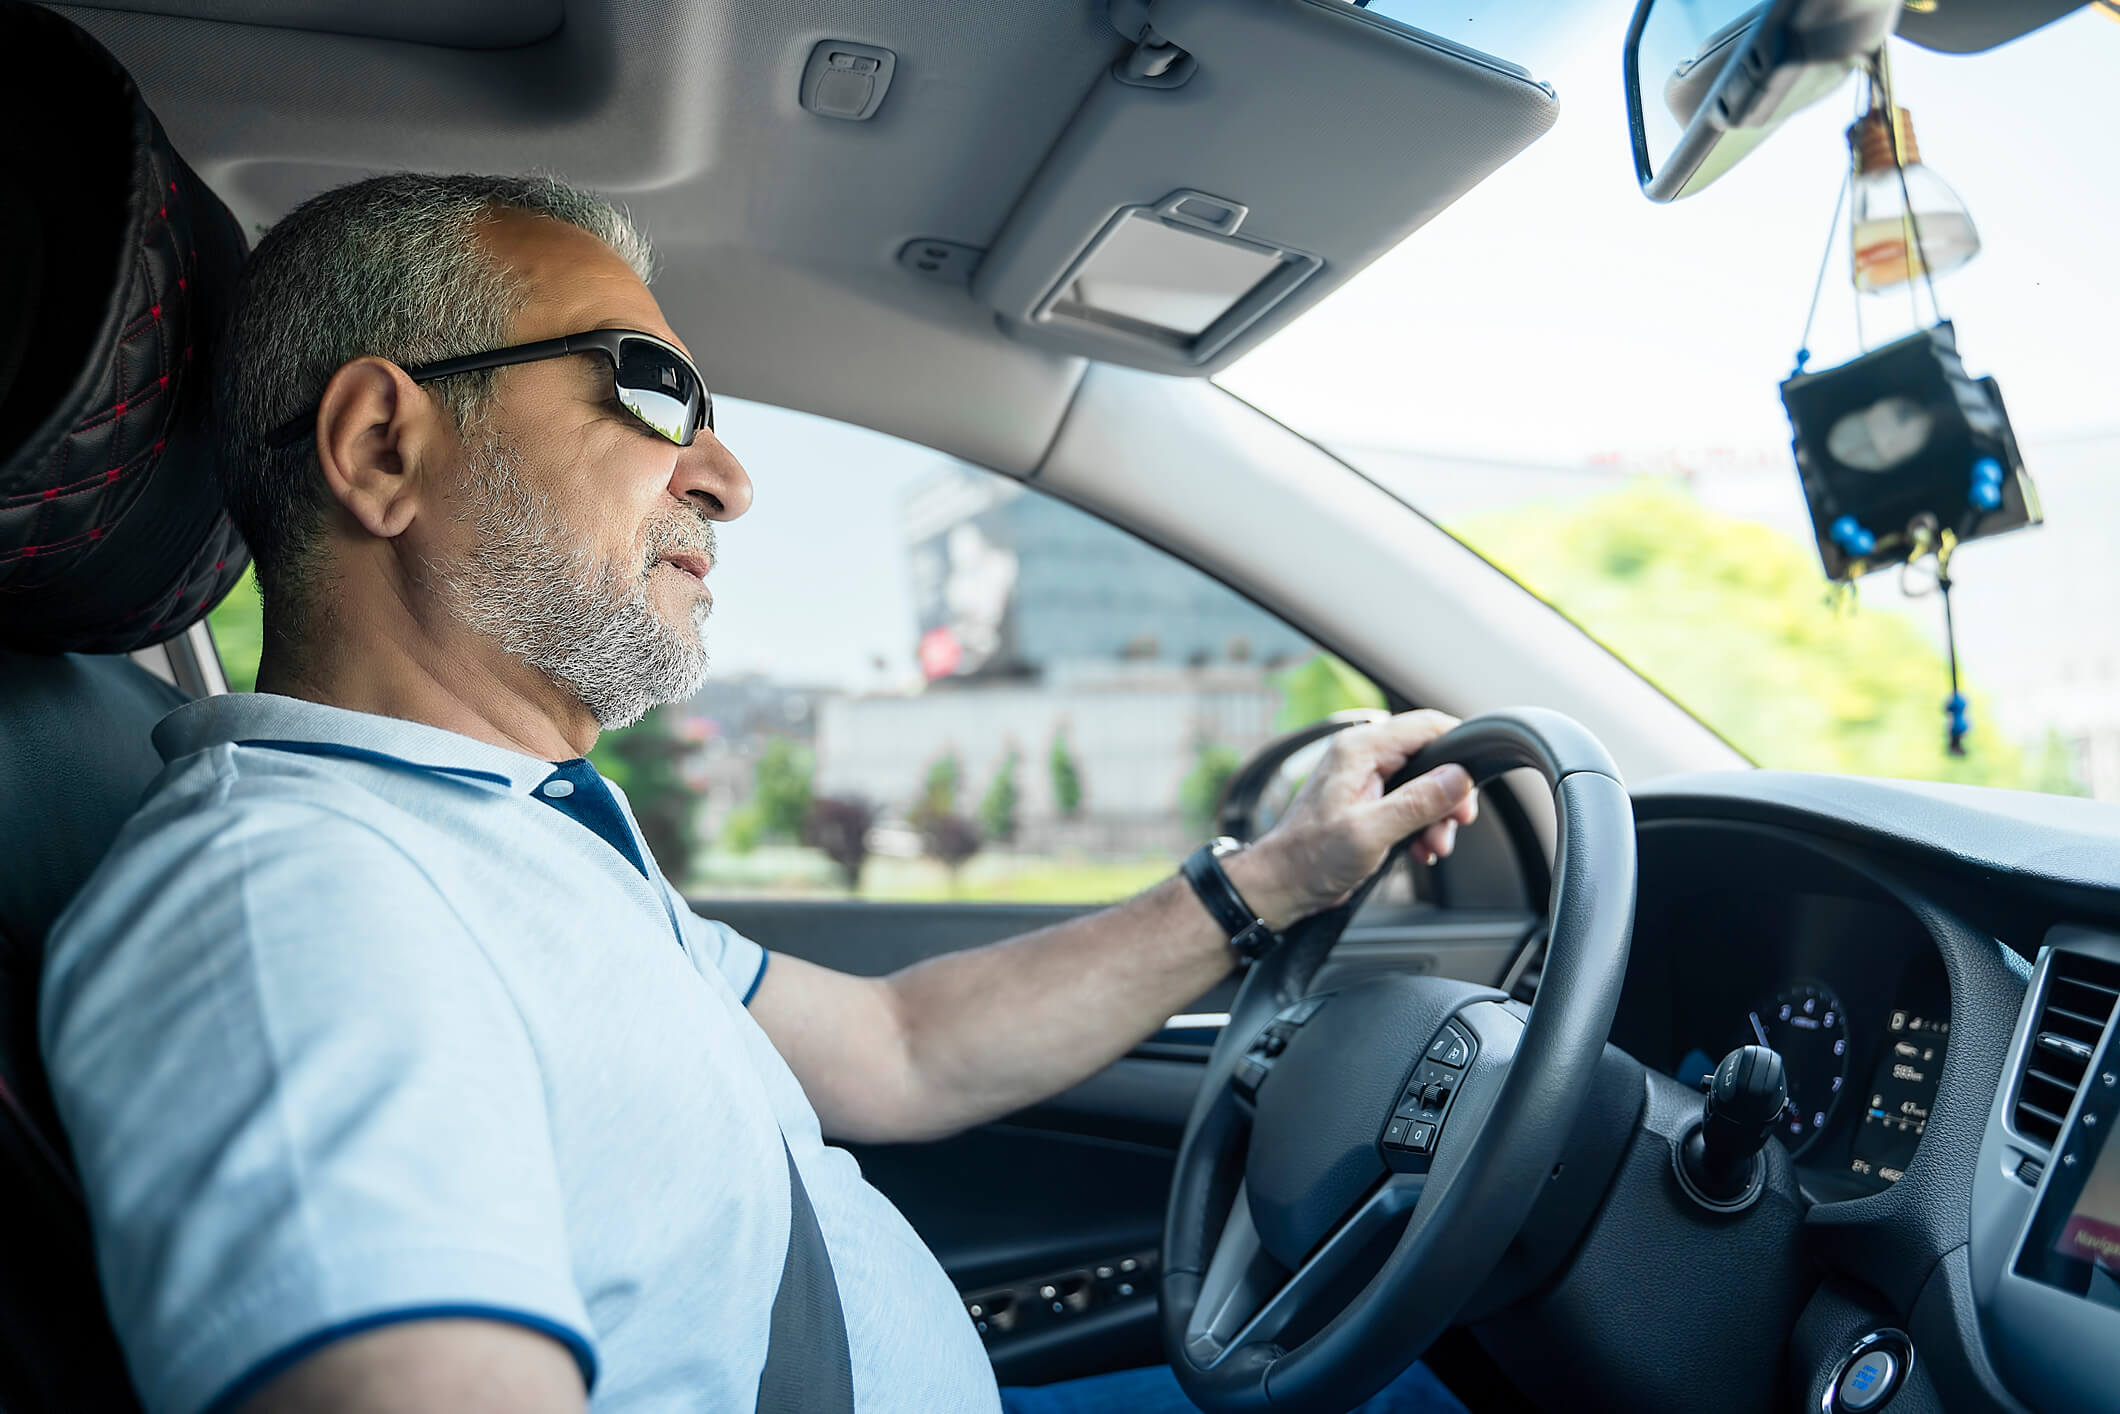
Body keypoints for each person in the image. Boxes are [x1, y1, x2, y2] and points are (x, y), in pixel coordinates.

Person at [42, 174, 1481, 1414]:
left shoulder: (501, 836)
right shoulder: (296, 901)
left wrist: (1276, 877)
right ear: (381, 448)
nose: (728, 477)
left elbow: (901, 1045)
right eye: (656, 389)